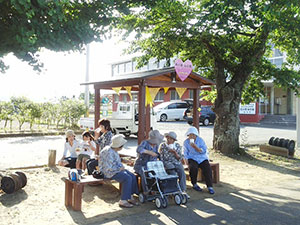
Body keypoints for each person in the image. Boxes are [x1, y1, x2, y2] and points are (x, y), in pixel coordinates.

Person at [99, 134, 139, 208]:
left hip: (115, 170)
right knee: (127, 178)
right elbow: (109, 167)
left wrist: (124, 161)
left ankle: (130, 196)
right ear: (119, 146)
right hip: (109, 172)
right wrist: (119, 168)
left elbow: (115, 161)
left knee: (132, 176)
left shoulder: (112, 149)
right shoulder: (109, 152)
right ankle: (123, 200)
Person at [183, 126, 215, 194]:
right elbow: (185, 152)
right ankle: (194, 184)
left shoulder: (200, 140)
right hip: (192, 157)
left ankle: (209, 186)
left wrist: (195, 147)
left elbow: (204, 151)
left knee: (207, 168)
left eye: (193, 135)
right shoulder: (186, 142)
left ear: (196, 135)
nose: (191, 136)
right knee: (193, 167)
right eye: (190, 135)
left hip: (202, 157)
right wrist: (186, 161)